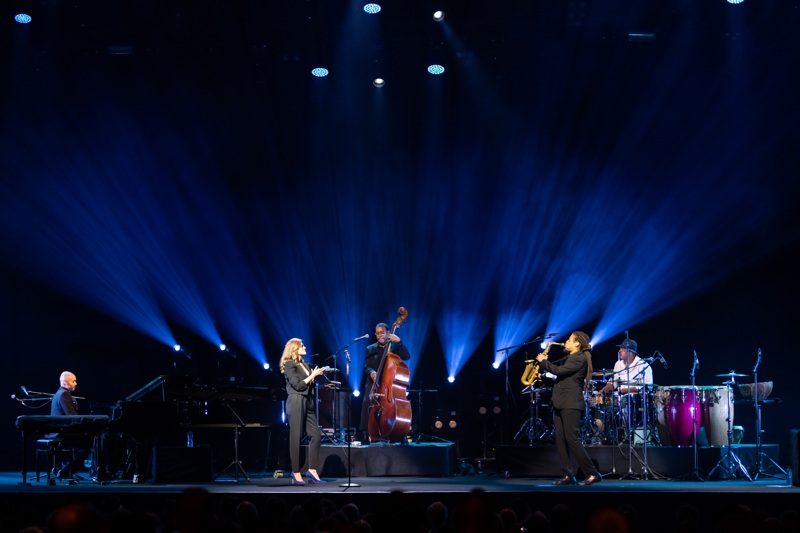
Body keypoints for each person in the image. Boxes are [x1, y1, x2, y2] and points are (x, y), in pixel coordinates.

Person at [536, 331, 602, 486]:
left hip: (571, 403)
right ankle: (568, 475)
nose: (566, 342)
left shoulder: (579, 358)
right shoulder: (571, 358)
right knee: (560, 439)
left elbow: (559, 371)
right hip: (561, 402)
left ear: (577, 343)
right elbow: (562, 380)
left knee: (572, 439)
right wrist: (544, 379)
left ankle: (592, 473)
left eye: (569, 340)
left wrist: (543, 362)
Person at [279, 338, 327, 485]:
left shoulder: (304, 364)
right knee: (296, 436)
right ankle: (295, 471)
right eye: (302, 346)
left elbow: (307, 383)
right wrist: (312, 376)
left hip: (308, 401)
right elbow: (298, 385)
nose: (305, 347)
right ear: (295, 349)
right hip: (296, 400)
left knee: (316, 434)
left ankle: (312, 469)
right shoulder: (289, 365)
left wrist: (315, 375)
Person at [359, 322, 411, 443]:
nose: (379, 335)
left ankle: (398, 430)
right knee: (367, 401)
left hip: (390, 383)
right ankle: (366, 432)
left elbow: (407, 356)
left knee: (393, 405)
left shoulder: (394, 346)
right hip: (375, 382)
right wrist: (371, 372)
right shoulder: (370, 348)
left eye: (382, 332)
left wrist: (399, 341)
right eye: (377, 333)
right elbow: (366, 366)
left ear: (388, 333)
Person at [602, 338, 654, 441]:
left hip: (635, 400)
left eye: (622, 349)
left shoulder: (643, 365)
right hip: (619, 397)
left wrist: (625, 391)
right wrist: (601, 391)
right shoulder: (618, 364)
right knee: (603, 407)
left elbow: (648, 386)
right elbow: (613, 382)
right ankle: (606, 435)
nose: (619, 351)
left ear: (630, 352)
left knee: (626, 402)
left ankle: (627, 435)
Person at [49, 371, 93, 479]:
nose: (76, 383)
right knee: (91, 441)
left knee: (88, 440)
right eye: (73, 381)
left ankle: (67, 469)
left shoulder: (58, 393)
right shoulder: (64, 394)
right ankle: (67, 470)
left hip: (58, 431)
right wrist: (86, 422)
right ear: (65, 382)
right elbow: (72, 416)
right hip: (61, 433)